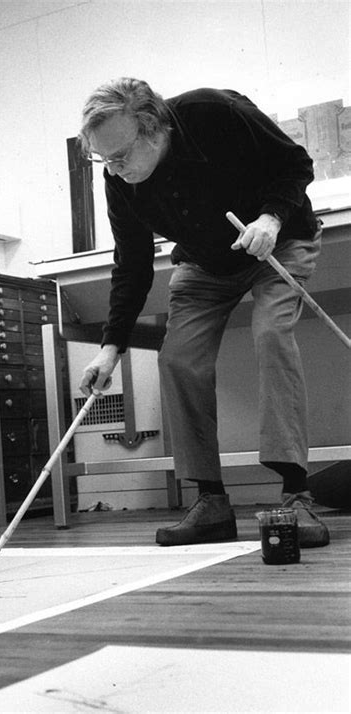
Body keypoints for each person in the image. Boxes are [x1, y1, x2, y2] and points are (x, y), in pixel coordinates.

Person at [78, 77, 329, 548]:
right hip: (205, 263)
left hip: (275, 241)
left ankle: (297, 493)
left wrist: (271, 218)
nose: (113, 169)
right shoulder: (119, 180)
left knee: (272, 332)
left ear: (152, 127)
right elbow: (131, 264)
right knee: (177, 358)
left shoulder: (215, 113)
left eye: (120, 156)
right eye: (103, 160)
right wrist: (110, 349)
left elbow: (296, 164)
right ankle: (210, 501)